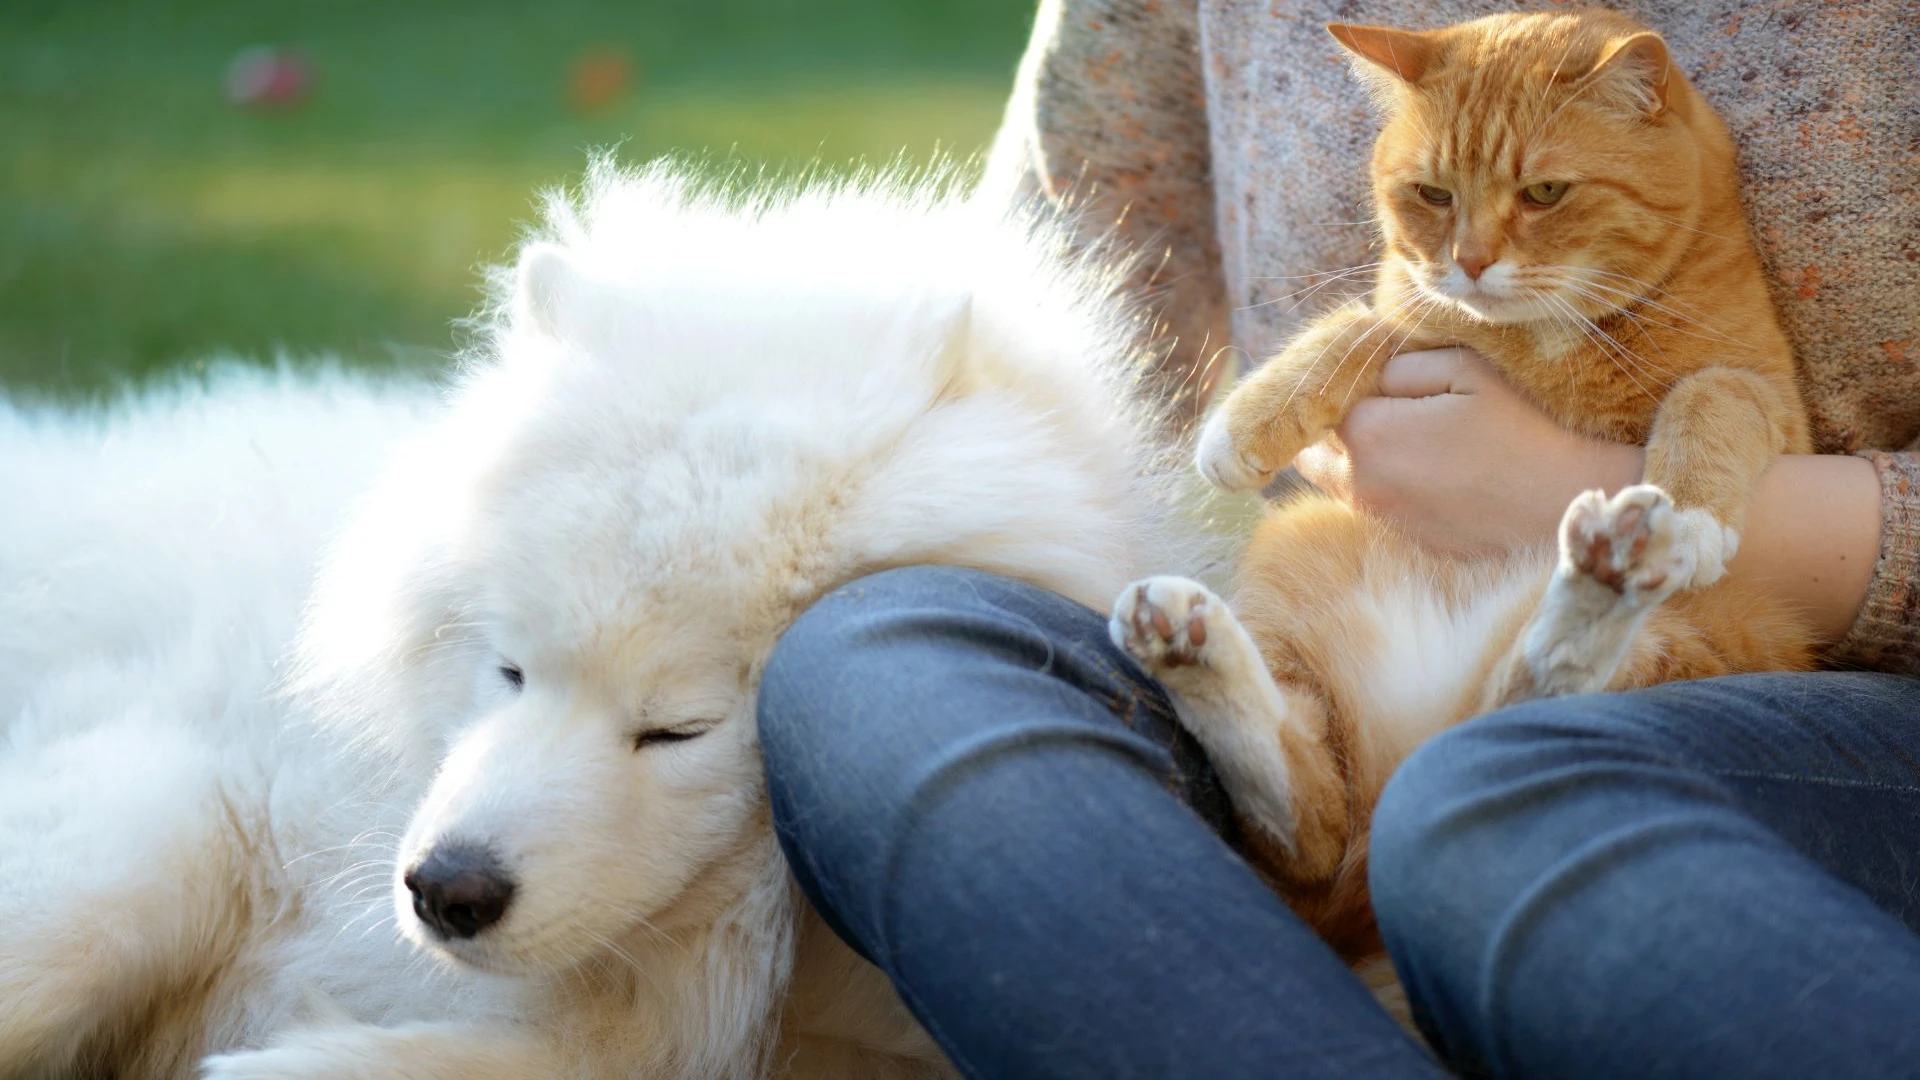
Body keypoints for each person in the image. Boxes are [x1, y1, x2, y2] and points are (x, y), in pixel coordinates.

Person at [758, 1, 1920, 1076]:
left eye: (1541, 199)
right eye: (1428, 200)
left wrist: (1588, 495)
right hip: (1358, 658)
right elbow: (1029, 313)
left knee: (1493, 798)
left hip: (1776, 704)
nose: (1468, 253)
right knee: (872, 657)